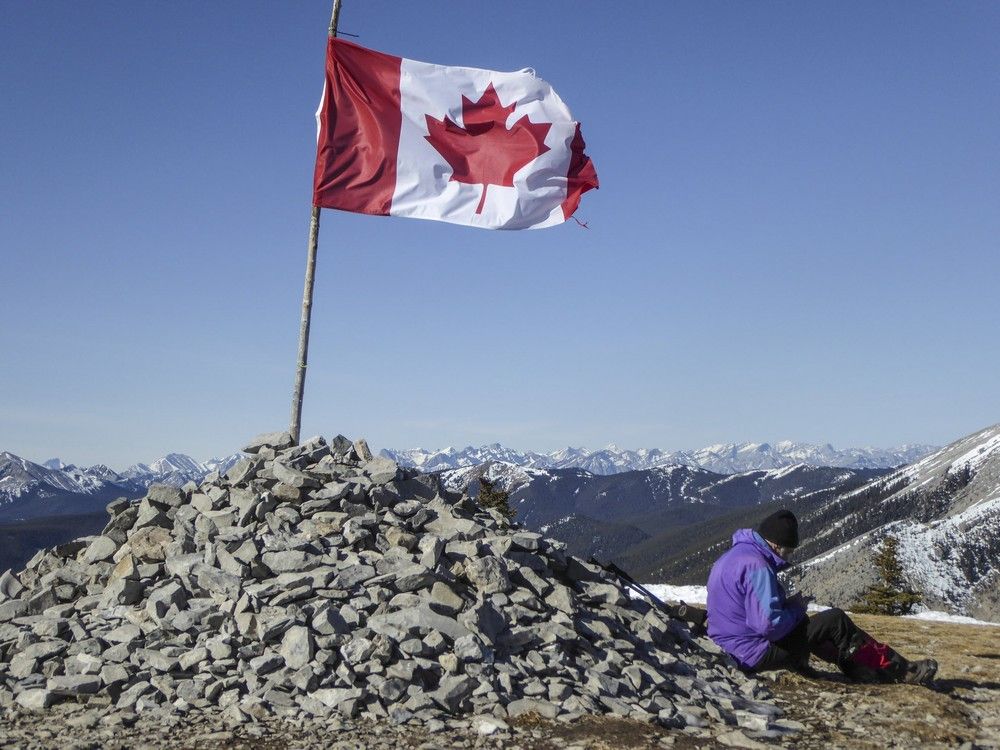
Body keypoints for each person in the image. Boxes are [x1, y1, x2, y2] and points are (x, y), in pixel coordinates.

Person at [705, 509, 938, 685]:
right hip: (753, 653)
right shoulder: (757, 567)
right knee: (835, 621)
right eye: (788, 551)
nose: (788, 557)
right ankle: (901, 670)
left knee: (812, 625)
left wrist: (789, 609)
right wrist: (796, 608)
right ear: (776, 545)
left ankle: (866, 669)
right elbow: (769, 626)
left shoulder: (734, 556)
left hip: (728, 644)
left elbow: (747, 609)